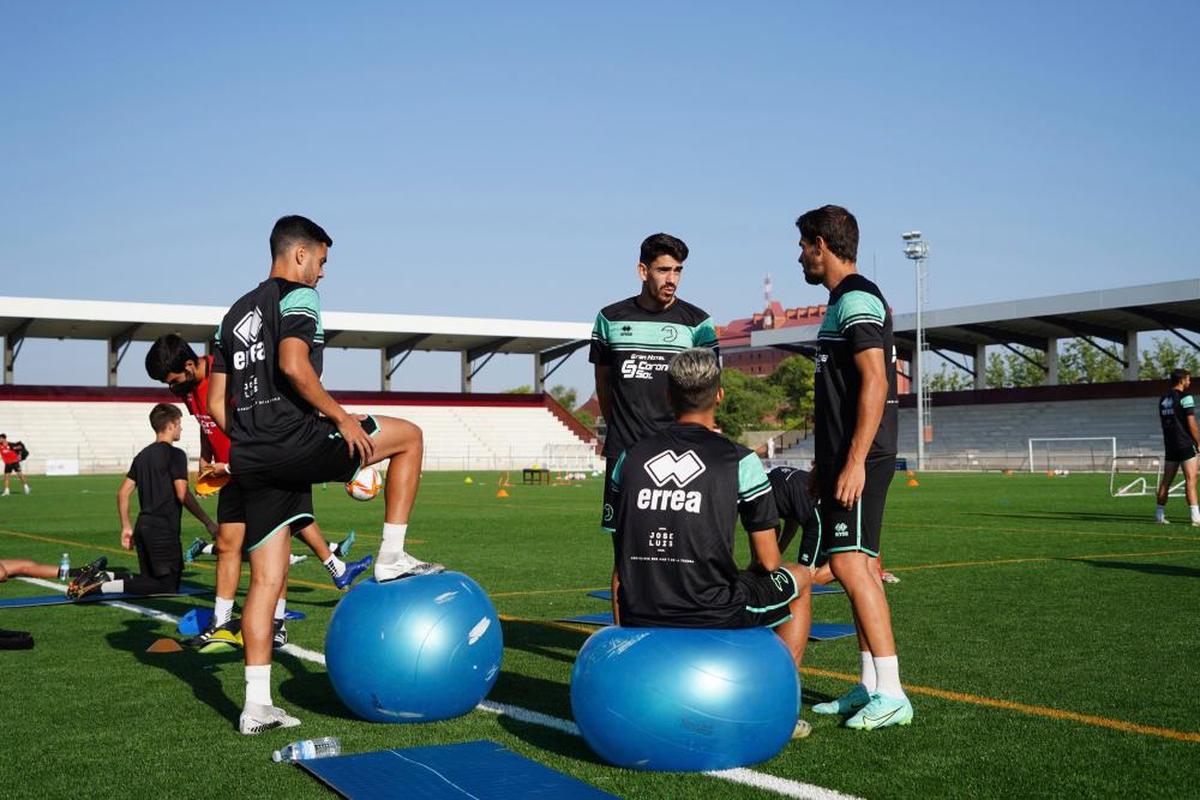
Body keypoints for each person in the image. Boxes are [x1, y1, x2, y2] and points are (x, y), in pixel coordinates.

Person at [208, 215, 440, 734]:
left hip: (252, 457)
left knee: (266, 582)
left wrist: (251, 438)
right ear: (300, 254)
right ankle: (391, 555)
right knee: (409, 437)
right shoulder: (298, 297)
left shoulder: (230, 316)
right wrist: (339, 418)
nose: (322, 273)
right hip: (296, 442)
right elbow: (294, 363)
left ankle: (256, 707)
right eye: (322, 261)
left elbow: (215, 403)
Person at [603, 348, 814, 737]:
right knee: (798, 578)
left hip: (641, 610)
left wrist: (625, 647)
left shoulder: (629, 459)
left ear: (668, 395)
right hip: (712, 609)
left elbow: (620, 567)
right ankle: (782, 705)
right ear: (719, 395)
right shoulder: (741, 461)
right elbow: (768, 562)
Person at [144, 335, 371, 651]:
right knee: (227, 544)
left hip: (261, 465)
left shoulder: (227, 374)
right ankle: (221, 623)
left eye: (173, 381)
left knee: (275, 547)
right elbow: (205, 422)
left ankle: (277, 624)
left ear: (188, 365)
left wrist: (338, 418)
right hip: (231, 473)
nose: (173, 388)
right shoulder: (188, 391)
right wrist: (206, 458)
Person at [796, 204, 912, 730]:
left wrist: (855, 461)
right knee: (858, 565)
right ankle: (869, 686)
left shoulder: (858, 297)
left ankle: (892, 692)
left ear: (821, 244)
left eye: (803, 245)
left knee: (848, 564)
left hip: (864, 457)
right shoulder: (839, 302)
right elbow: (839, 392)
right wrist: (826, 462)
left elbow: (875, 381)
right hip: (843, 457)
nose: (800, 256)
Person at [590, 233, 720, 530]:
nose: (671, 278)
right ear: (643, 271)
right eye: (663, 270)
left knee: (676, 543)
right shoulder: (609, 319)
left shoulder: (698, 323)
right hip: (625, 451)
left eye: (678, 270)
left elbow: (708, 388)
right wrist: (618, 429)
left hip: (679, 452)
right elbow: (603, 381)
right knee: (625, 547)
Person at [67, 404, 218, 599]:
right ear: (171, 425)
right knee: (168, 586)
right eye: (179, 423)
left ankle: (102, 576)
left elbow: (122, 493)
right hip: (163, 529)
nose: (181, 428)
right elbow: (182, 494)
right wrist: (208, 522)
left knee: (148, 581)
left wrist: (126, 527)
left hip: (143, 527)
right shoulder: (176, 454)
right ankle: (100, 585)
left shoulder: (142, 456)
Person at [1155, 368, 1200, 526]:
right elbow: (1191, 422)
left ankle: (1159, 515)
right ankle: (1196, 517)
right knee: (1191, 480)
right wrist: (1199, 442)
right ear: (1181, 380)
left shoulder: (1163, 399)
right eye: (1188, 379)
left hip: (1171, 444)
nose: (1190, 382)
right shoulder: (1185, 397)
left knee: (1166, 481)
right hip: (1185, 443)